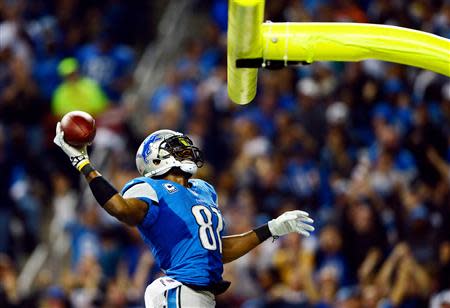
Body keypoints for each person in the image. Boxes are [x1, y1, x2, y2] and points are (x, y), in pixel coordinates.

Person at [54, 127, 315, 307]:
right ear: (155, 159)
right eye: (176, 148)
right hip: (181, 289)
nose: (186, 150)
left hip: (202, 295)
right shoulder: (149, 187)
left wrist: (270, 228)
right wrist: (84, 165)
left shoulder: (203, 190)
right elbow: (121, 209)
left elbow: (217, 250)